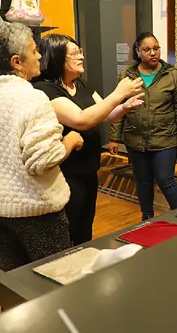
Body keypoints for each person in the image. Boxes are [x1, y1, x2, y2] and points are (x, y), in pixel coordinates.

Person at [0, 21, 84, 271]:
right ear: (16, 61)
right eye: (34, 50)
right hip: (33, 210)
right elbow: (43, 161)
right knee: (56, 277)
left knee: (13, 277)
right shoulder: (31, 98)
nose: (39, 55)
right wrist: (70, 140)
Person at [33, 34, 143, 245]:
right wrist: (118, 94)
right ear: (56, 58)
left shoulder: (80, 84)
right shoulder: (45, 89)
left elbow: (105, 114)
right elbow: (81, 120)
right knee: (69, 229)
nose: (81, 57)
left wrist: (123, 107)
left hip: (89, 169)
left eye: (80, 52)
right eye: (74, 53)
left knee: (84, 227)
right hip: (66, 174)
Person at [108, 32, 177, 220]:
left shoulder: (171, 74)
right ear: (137, 51)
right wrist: (114, 137)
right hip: (136, 139)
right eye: (147, 49)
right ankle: (147, 217)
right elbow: (119, 106)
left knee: (165, 179)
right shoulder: (127, 75)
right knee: (143, 181)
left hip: (165, 138)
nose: (153, 53)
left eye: (156, 48)